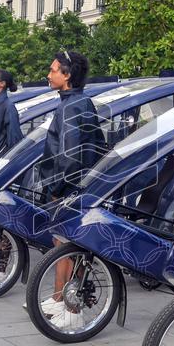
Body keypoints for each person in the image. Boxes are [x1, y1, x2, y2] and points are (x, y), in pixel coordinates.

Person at [35, 51, 107, 323]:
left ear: (67, 75)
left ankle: (73, 309)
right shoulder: (72, 102)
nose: (49, 74)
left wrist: (57, 185)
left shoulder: (74, 105)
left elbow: (71, 153)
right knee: (60, 243)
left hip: (70, 186)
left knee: (70, 247)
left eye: (53, 70)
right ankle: (58, 299)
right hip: (70, 184)